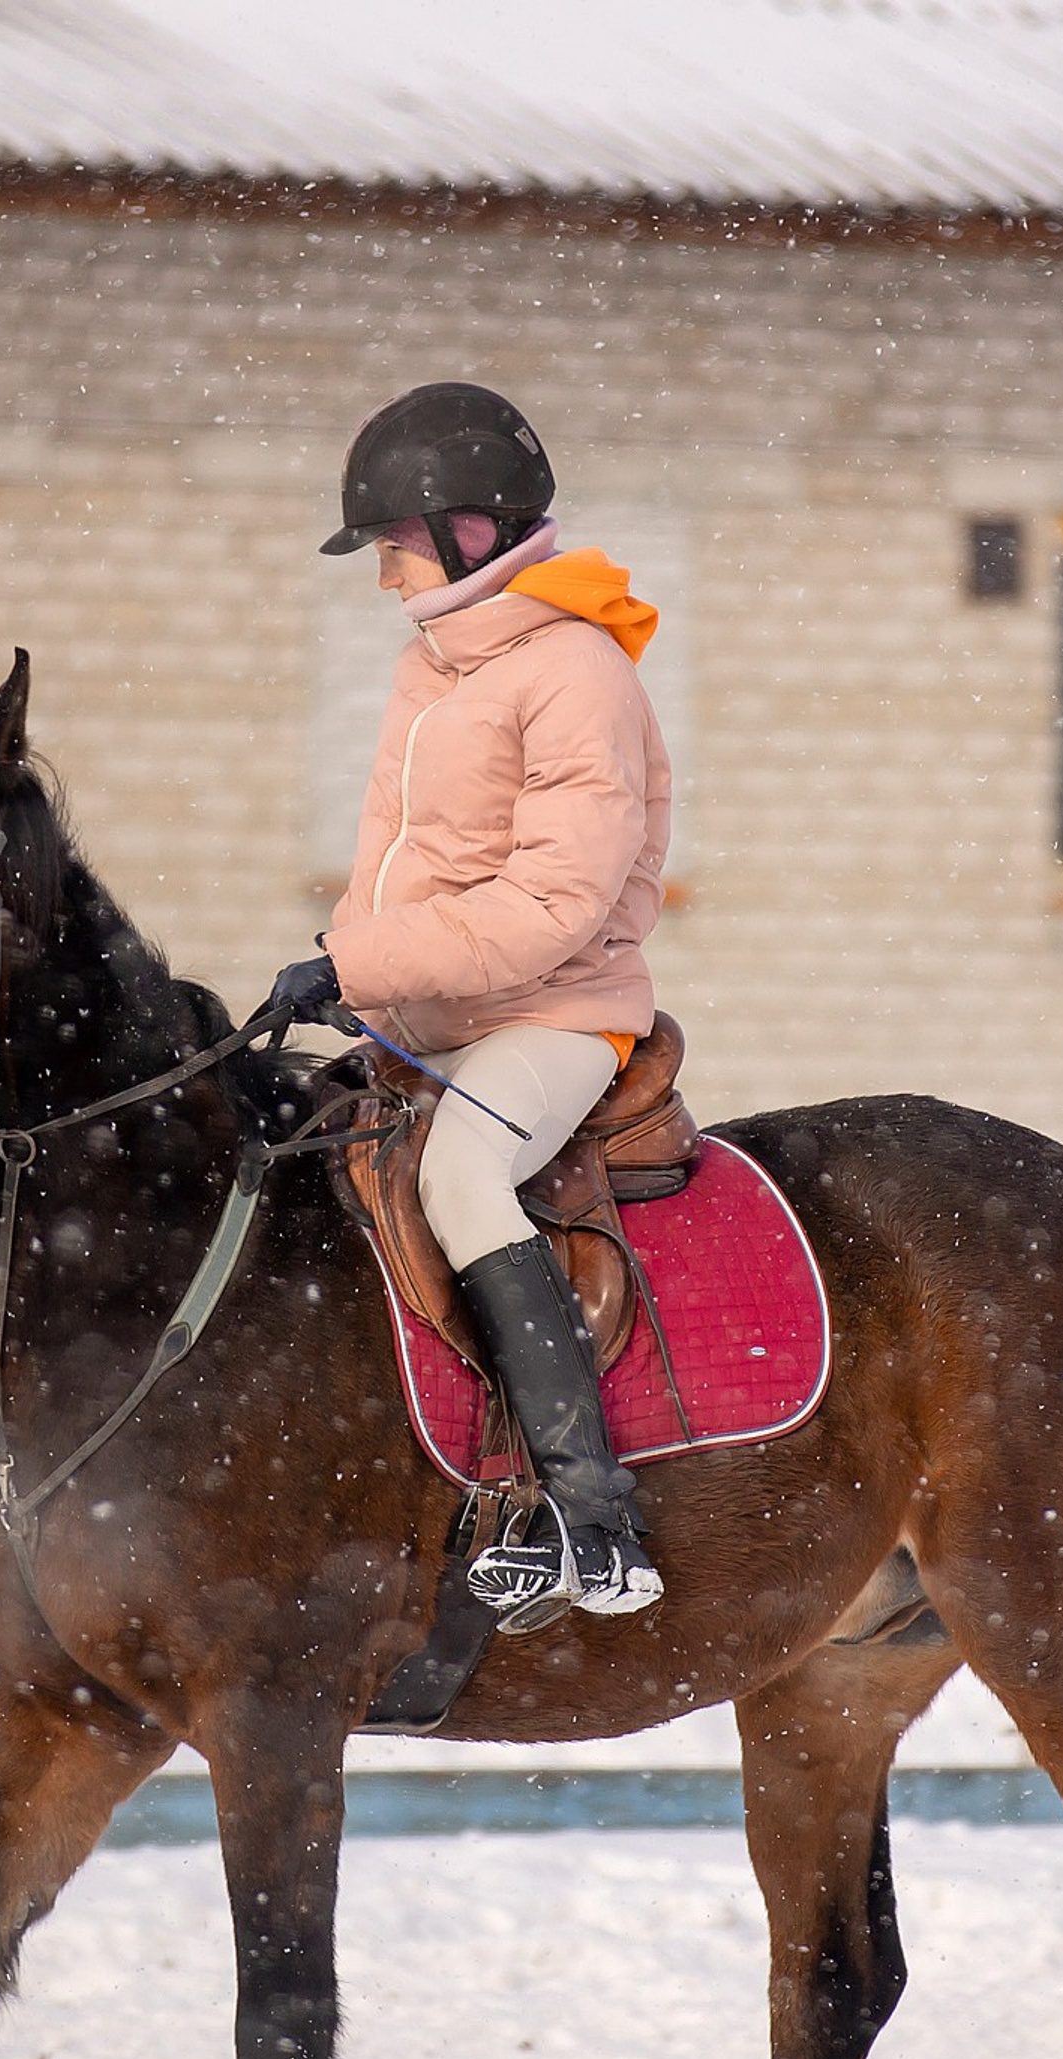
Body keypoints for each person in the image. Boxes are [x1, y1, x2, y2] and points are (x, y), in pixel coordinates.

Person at [265, 381, 674, 1631]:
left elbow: (553, 904)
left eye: (393, 544)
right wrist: (356, 962)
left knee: (458, 1180)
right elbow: (405, 862)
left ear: (472, 532)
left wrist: (358, 962)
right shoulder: (432, 667)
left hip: (559, 1017)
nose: (385, 574)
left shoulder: (573, 674)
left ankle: (588, 1513)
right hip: (438, 1016)